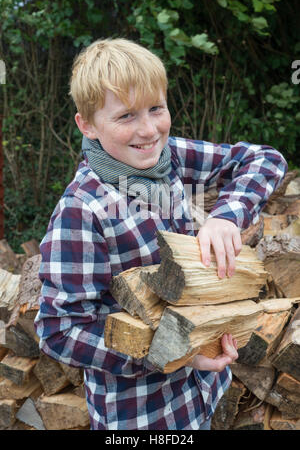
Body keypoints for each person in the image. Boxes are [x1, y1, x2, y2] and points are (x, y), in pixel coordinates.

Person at [34, 38, 287, 431]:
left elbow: (264, 159)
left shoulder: (168, 158)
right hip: (142, 416)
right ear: (87, 125)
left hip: (205, 393)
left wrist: (226, 217)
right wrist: (173, 352)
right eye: (126, 116)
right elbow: (59, 330)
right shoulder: (81, 212)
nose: (149, 129)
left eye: (156, 108)